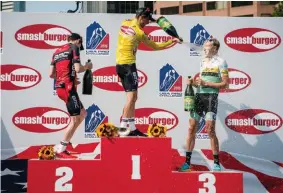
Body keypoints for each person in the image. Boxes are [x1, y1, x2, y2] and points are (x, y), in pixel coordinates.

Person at [116, 7, 182, 136]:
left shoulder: (125, 22)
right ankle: (123, 128)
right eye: (146, 21)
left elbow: (139, 20)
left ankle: (133, 127)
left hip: (119, 65)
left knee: (133, 98)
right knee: (131, 99)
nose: (147, 23)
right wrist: (172, 40)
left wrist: (151, 19)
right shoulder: (139, 33)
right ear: (142, 18)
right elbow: (155, 46)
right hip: (129, 66)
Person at [179, 38, 229, 171]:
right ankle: (187, 162)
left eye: (208, 47)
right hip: (199, 96)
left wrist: (206, 84)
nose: (205, 49)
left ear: (215, 49)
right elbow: (200, 83)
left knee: (210, 130)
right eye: (204, 47)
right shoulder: (202, 61)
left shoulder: (221, 62)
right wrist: (192, 83)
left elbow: (225, 84)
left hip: (211, 97)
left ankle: (216, 163)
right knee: (191, 128)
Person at [49, 33, 93, 159]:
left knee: (83, 114)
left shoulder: (56, 52)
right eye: (80, 44)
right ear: (77, 41)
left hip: (62, 87)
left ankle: (65, 144)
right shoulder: (74, 48)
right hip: (68, 89)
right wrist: (88, 67)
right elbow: (78, 69)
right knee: (74, 120)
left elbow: (51, 74)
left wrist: (67, 79)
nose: (80, 46)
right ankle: (60, 149)